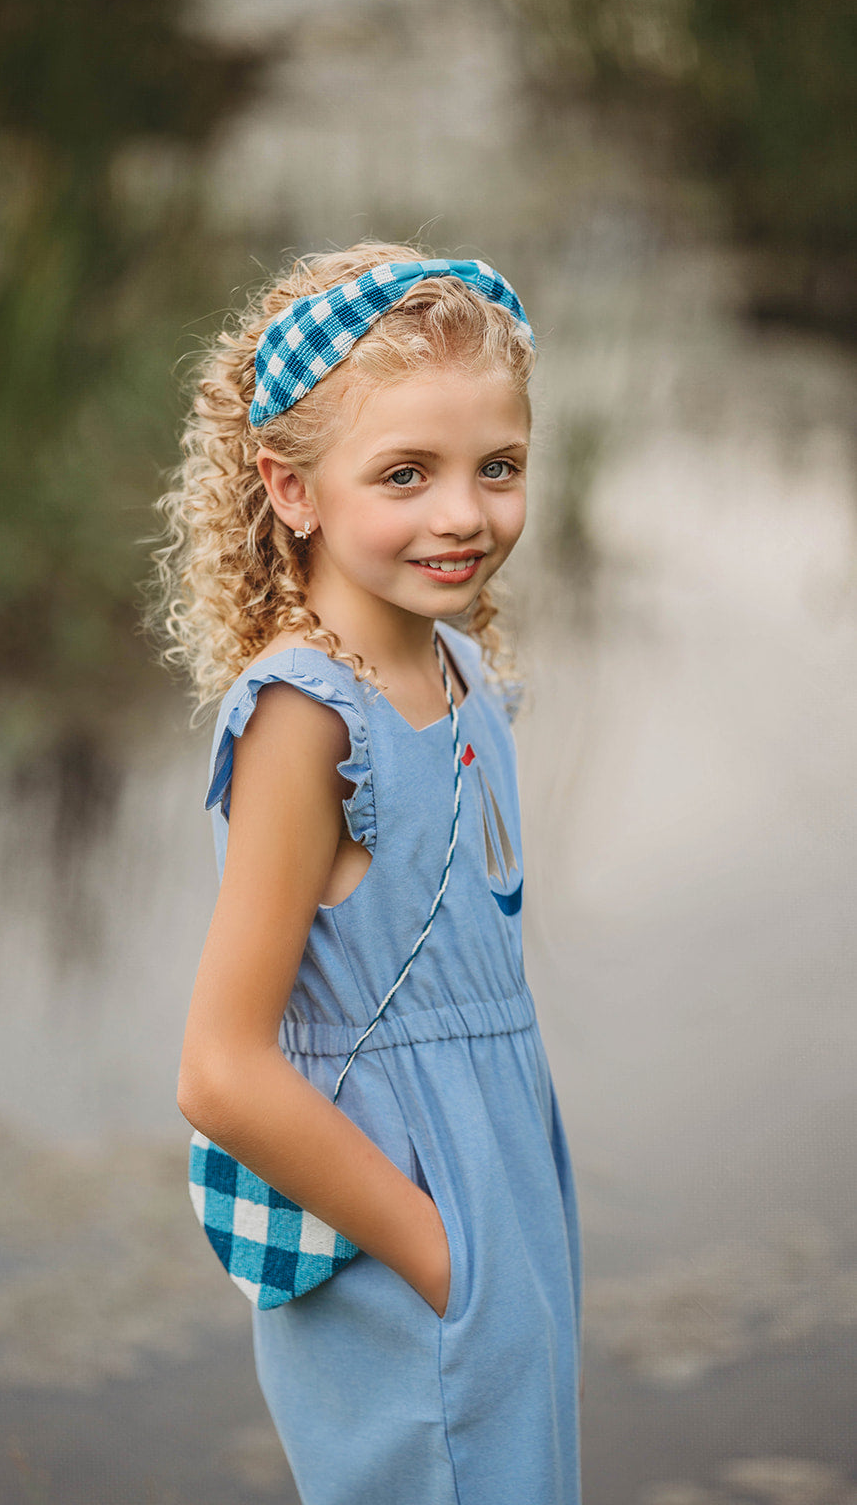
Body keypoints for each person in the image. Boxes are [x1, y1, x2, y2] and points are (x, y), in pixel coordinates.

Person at [154, 240, 582, 1505]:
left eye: (496, 466)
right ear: (292, 489)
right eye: (406, 473)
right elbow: (220, 1069)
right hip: (406, 1236)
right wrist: (439, 1256)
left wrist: (496, 1243)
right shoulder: (306, 717)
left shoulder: (460, 672)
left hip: (501, 1186)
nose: (463, 514)